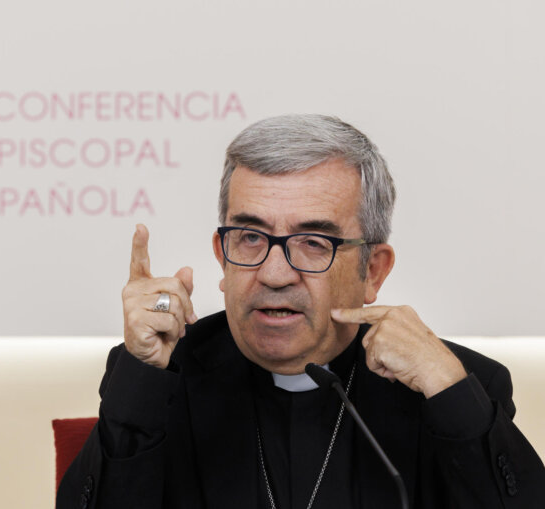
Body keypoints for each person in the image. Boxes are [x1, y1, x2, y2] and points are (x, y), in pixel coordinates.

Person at [56, 115, 545, 509]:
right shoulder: (161, 378)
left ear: (373, 271)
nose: (274, 274)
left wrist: (451, 391)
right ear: (222, 257)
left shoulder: (450, 387)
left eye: (313, 242)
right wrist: (140, 379)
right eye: (250, 237)